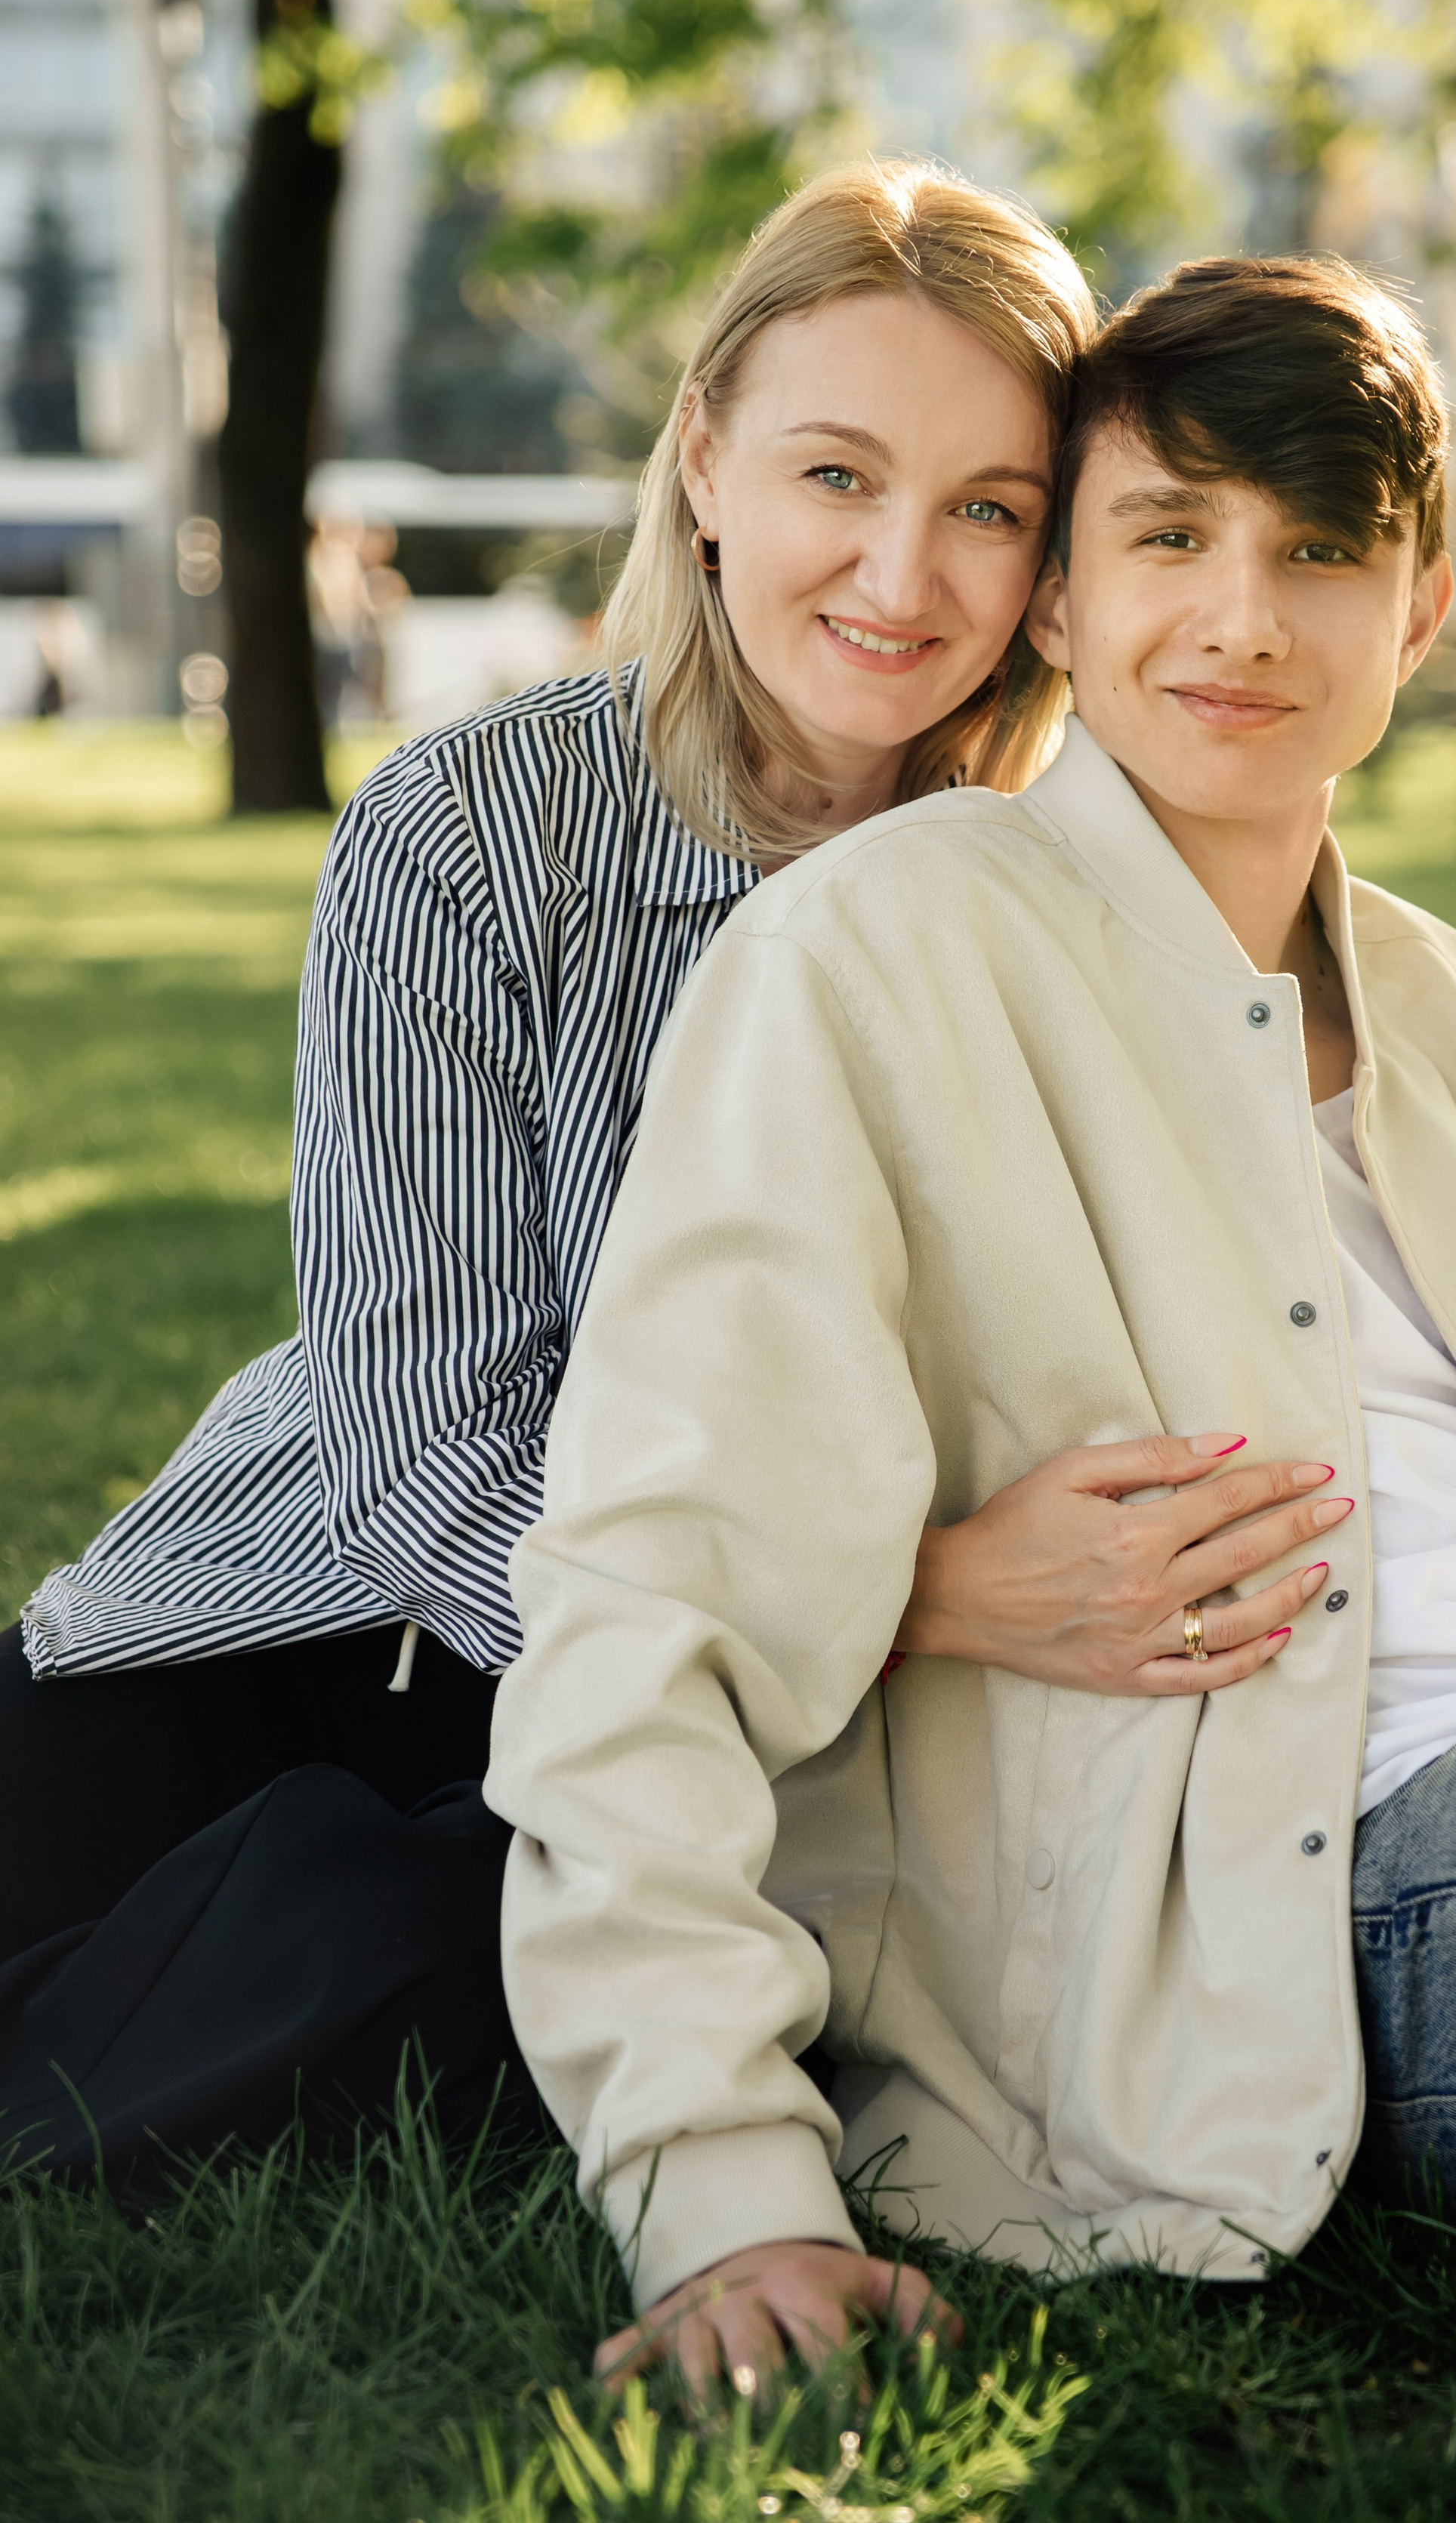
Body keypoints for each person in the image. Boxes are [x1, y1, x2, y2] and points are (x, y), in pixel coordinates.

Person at [485, 251, 1456, 2399]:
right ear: (1055, 597)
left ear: (1420, 611)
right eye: (1168, 535)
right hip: (1361, 1964)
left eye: (1322, 551)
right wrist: (724, 2188)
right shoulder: (863, 968)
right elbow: (651, 1608)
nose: (1241, 619)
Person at [0, 165, 1346, 2180]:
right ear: (705, 457)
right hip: (329, 1644)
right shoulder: (471, 831)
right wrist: (927, 1602)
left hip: (793, 1734)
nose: (902, 576)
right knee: (275, 1989)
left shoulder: (1094, 886)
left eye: (985, 507)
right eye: (836, 476)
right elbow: (430, 1458)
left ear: (1055, 562)